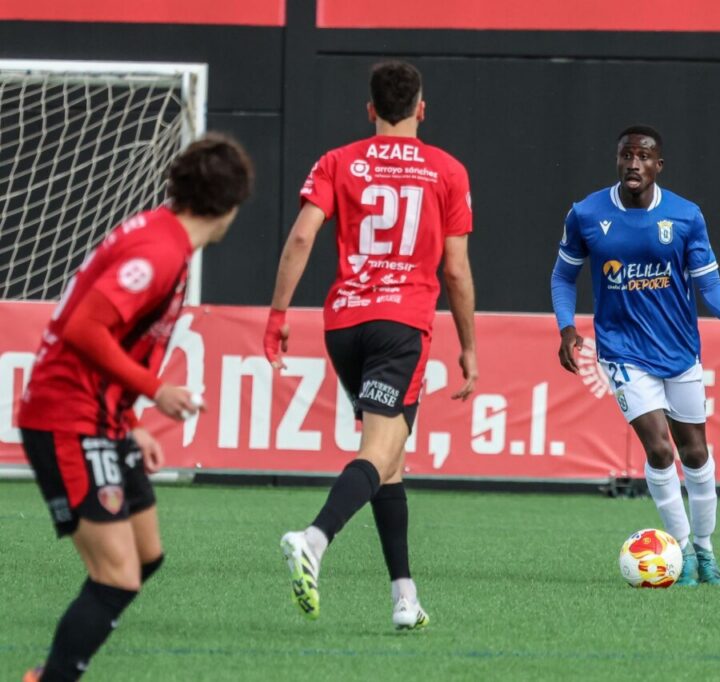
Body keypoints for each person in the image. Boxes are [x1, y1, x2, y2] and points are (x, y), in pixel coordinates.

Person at [18, 134, 254, 681]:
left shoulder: (162, 237)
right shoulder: (159, 252)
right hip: (66, 419)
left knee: (145, 556)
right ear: (230, 207)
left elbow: (113, 337)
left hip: (100, 418)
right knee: (117, 577)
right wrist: (156, 390)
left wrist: (129, 424)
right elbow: (84, 329)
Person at [263, 60, 477, 629]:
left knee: (393, 461)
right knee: (380, 450)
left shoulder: (338, 160)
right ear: (421, 108)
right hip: (402, 324)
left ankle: (405, 598)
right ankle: (314, 538)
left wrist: (279, 312)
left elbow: (303, 234)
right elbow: (455, 271)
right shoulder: (447, 171)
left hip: (344, 325)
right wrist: (469, 346)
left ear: (371, 109)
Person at [550, 125, 720, 586]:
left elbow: (708, 282)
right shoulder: (587, 214)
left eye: (644, 156)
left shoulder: (686, 216)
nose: (634, 163)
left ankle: (705, 550)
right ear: (618, 161)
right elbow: (562, 277)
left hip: (679, 351)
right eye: (626, 155)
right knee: (658, 448)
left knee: (695, 453)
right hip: (623, 351)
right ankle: (680, 552)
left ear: (658, 166)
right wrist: (568, 328)